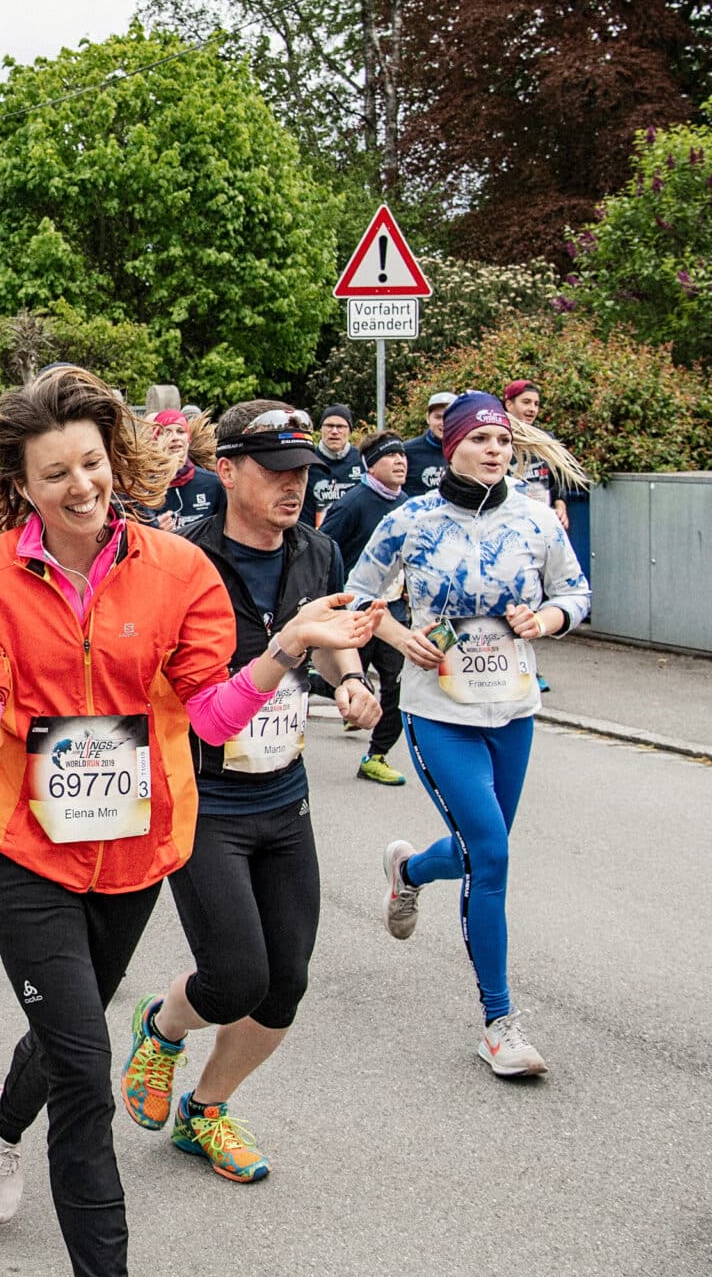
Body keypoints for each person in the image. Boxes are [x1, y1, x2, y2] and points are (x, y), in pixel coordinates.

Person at [0, 366, 372, 1276]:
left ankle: (3, 1118)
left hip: (133, 850)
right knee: (86, 1074)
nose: (79, 487)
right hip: (26, 852)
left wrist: (284, 651)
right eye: (54, 474)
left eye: (90, 464)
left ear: (113, 461)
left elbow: (206, 720)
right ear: (22, 486)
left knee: (65, 1036)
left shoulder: (178, 571)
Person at [119, 403, 381, 1185]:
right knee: (236, 976)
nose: (293, 486)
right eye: (274, 470)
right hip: (201, 796)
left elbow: (332, 649)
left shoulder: (319, 551)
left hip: (283, 792)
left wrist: (354, 681)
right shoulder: (177, 561)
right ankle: (162, 1028)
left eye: (302, 471)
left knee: (286, 981)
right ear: (226, 470)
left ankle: (206, 1111)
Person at [349, 391, 590, 1076]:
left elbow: (574, 592)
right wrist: (397, 632)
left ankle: (410, 869)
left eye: (504, 443)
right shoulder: (412, 521)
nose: (495, 452)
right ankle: (499, 1023)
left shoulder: (536, 520)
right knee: (492, 855)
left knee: (482, 849)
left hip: (512, 711)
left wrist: (545, 622)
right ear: (451, 445)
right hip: (439, 713)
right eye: (481, 440)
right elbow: (359, 590)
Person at [319, 431, 413, 784]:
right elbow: (323, 548)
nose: (401, 462)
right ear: (370, 466)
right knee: (349, 676)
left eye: (403, 455)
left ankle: (377, 755)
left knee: (397, 687)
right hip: (355, 611)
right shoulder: (352, 504)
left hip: (394, 613)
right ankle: (335, 692)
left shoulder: (408, 505)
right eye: (391, 456)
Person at [501, 380, 571, 528]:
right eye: (526, 402)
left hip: (543, 521)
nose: (532, 409)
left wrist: (560, 504)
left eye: (536, 404)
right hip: (509, 523)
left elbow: (558, 479)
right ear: (509, 405)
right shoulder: (498, 440)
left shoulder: (546, 438)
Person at [142, 409, 224, 529]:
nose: (175, 437)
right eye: (167, 432)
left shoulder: (213, 483)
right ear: (155, 440)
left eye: (180, 431)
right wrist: (154, 530)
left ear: (188, 439)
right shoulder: (143, 488)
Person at [307, 405, 363, 522]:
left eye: (340, 426)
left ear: (350, 430)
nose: (334, 431)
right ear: (321, 429)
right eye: (329, 426)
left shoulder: (362, 460)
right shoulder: (308, 460)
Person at [401, 392, 455, 497]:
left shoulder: (467, 451)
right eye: (438, 417)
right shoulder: (406, 451)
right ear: (427, 418)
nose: (443, 423)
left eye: (449, 417)